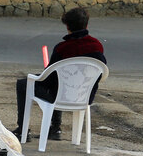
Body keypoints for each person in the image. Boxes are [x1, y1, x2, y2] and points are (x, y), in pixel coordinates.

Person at [14, 7, 107, 140]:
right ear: (86, 24)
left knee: (24, 84)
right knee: (63, 82)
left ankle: (23, 131)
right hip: (84, 96)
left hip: (59, 95)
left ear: (67, 26)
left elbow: (49, 80)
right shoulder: (97, 46)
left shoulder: (62, 48)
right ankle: (55, 129)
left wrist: (42, 73)